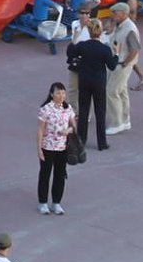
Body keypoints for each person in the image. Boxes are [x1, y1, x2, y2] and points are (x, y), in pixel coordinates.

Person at [66, 21, 116, 152]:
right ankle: (102, 143)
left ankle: (81, 140)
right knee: (100, 112)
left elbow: (70, 53)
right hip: (99, 82)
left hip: (85, 81)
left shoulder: (83, 46)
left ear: (89, 31)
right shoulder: (105, 49)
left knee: (83, 112)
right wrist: (116, 54)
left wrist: (74, 39)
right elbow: (112, 65)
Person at [36, 82, 76, 215]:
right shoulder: (45, 109)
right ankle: (42, 203)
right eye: (58, 93)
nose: (61, 95)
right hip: (47, 146)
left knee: (60, 175)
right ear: (52, 94)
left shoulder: (68, 108)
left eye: (63, 93)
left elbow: (74, 126)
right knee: (45, 174)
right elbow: (40, 130)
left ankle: (56, 202)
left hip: (62, 147)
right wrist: (39, 149)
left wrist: (68, 130)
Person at [104, 3, 141, 136]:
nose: (113, 15)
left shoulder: (129, 29)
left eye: (115, 13)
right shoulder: (121, 26)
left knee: (111, 92)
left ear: (124, 13)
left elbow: (135, 49)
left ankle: (116, 123)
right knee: (122, 92)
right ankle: (125, 120)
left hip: (121, 64)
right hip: (118, 62)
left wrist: (125, 63)